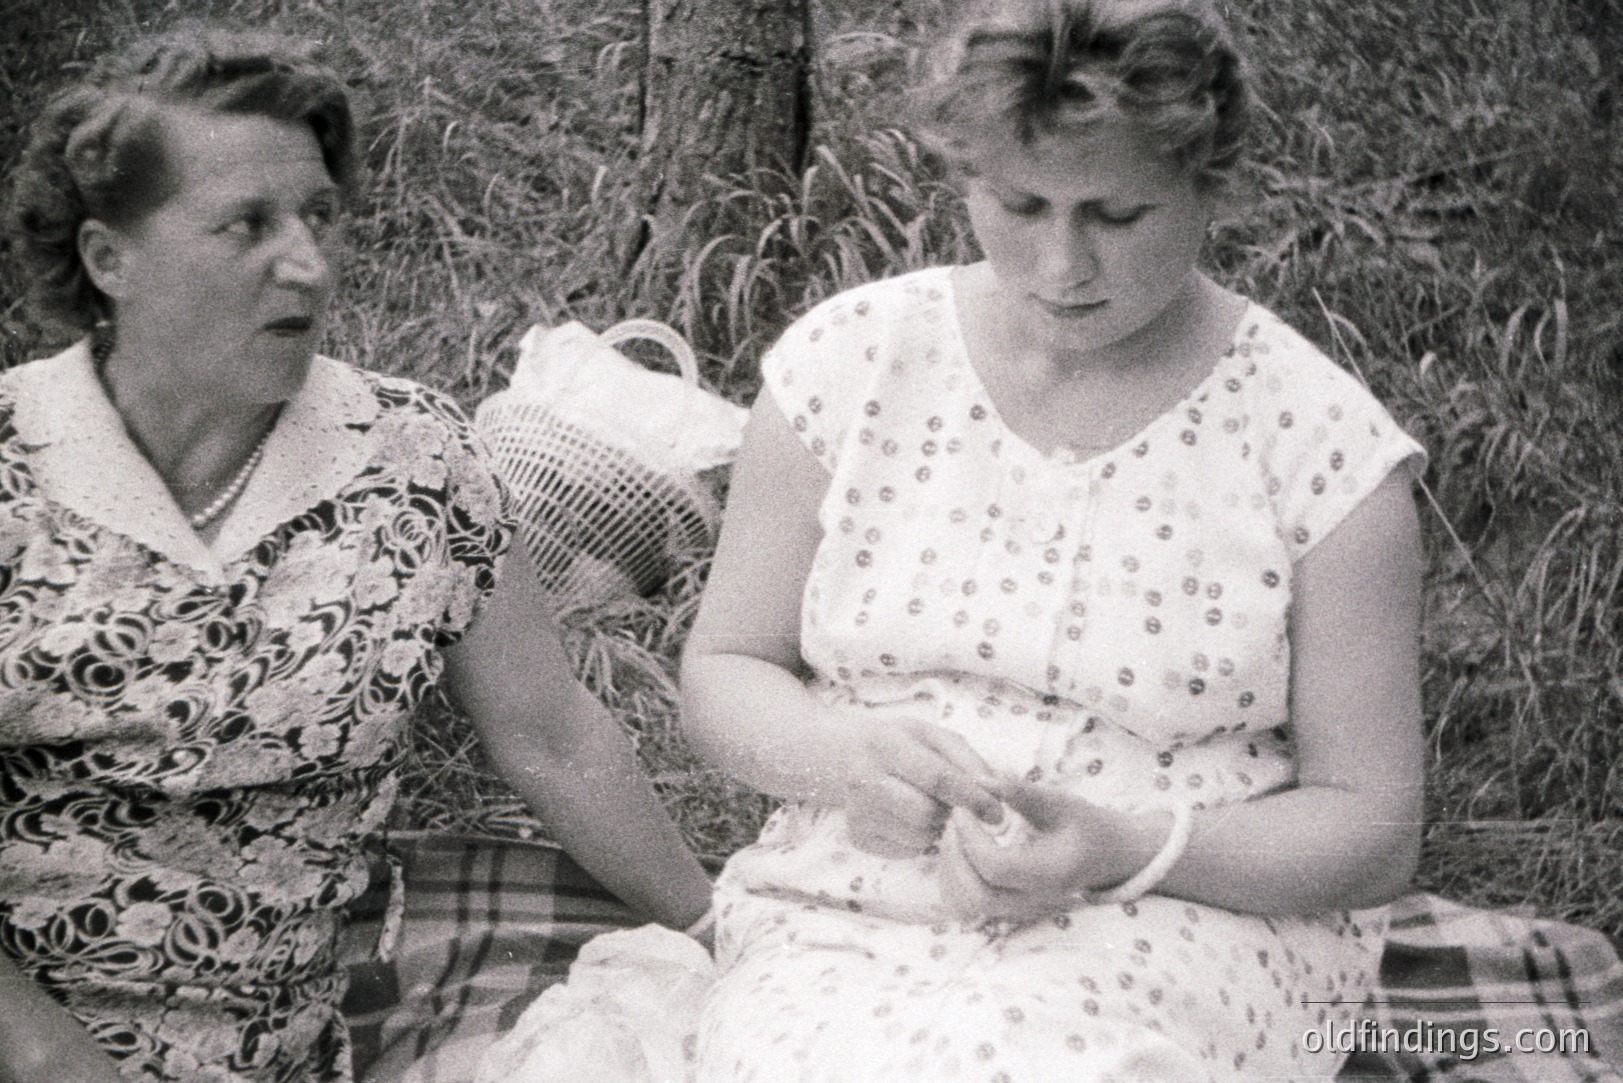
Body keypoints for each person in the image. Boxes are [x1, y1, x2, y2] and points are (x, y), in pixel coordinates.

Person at [680, 0, 1427, 1079]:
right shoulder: (848, 369)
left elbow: (1372, 829)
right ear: (965, 173)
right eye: (1019, 203)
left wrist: (1127, 848)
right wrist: (840, 760)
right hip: (858, 898)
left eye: (1116, 215)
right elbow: (726, 666)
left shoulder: (1320, 451)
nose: (1061, 264)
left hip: (1191, 913)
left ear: (1204, 183)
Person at [0, 29, 711, 1083]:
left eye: (319, 216)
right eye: (246, 224)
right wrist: (55, 1060)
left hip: (284, 1053)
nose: (307, 261)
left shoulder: (417, 456)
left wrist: (721, 931)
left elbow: (552, 733)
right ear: (113, 261)